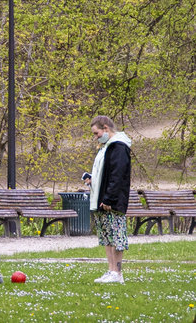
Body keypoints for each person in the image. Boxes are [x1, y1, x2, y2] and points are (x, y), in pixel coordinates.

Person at [84, 115, 131, 284]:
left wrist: (109, 198)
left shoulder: (118, 146)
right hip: (101, 200)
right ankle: (110, 270)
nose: (95, 137)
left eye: (96, 133)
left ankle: (117, 273)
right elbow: (104, 173)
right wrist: (92, 178)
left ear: (105, 128)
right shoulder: (106, 147)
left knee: (116, 236)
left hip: (111, 201)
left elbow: (117, 175)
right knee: (107, 236)